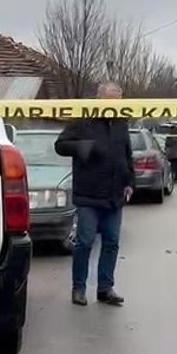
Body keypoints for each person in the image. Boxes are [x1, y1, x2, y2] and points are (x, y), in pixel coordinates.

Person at [54, 82, 134, 307]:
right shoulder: (83, 119)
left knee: (112, 243)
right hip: (89, 194)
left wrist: (130, 182)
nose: (113, 105)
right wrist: (86, 147)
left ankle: (105, 288)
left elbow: (127, 154)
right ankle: (79, 288)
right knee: (85, 242)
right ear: (99, 99)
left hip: (114, 195)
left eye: (117, 102)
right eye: (110, 101)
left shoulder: (121, 122)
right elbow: (60, 145)